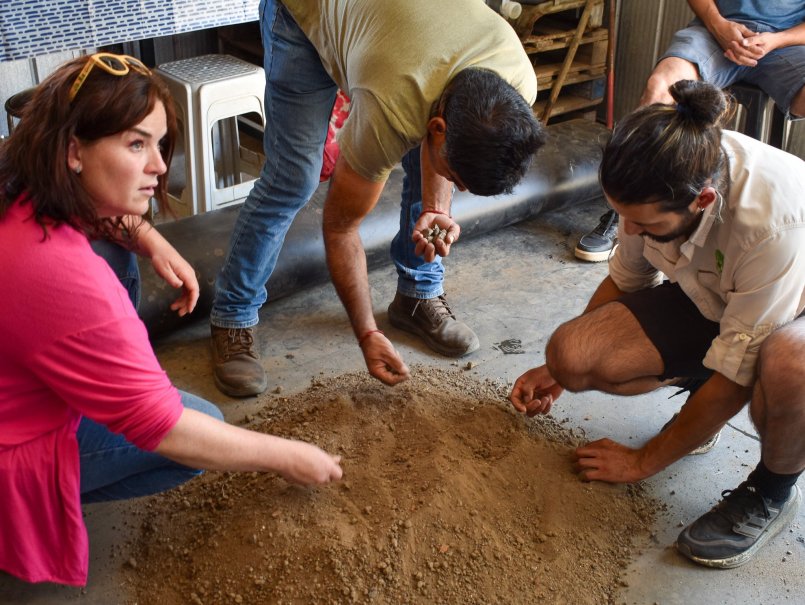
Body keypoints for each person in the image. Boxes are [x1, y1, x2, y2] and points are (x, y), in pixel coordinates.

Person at [0, 53, 343, 587]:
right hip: (11, 441)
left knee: (116, 252)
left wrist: (149, 237)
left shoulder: (17, 175)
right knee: (199, 430)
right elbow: (162, 428)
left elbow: (100, 212)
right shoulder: (64, 276)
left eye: (159, 144)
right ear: (73, 149)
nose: (160, 166)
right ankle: (31, 499)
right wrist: (288, 456)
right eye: (137, 144)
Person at [510, 80, 805, 569]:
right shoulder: (653, 182)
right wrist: (558, 371)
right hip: (724, 296)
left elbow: (738, 374)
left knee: (787, 366)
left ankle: (771, 489)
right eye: (623, 217)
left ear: (703, 201)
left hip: (794, 308)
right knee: (573, 353)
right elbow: (624, 283)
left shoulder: (770, 224)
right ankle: (699, 400)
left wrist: (643, 461)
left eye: (644, 225)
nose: (628, 231)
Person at [209, 0, 547, 397]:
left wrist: (437, 209)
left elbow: (440, 135)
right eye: (458, 179)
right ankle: (232, 315)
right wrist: (367, 332)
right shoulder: (389, 106)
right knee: (293, 179)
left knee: (430, 160)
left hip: (400, 36)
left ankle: (417, 296)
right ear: (437, 127)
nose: (460, 188)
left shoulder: (518, 85)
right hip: (307, 14)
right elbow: (340, 228)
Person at [574, 0, 805, 263]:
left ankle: (796, 228)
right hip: (716, 31)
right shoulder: (717, 28)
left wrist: (777, 40)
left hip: (785, 42)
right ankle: (626, 212)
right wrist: (719, 26)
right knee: (658, 90)